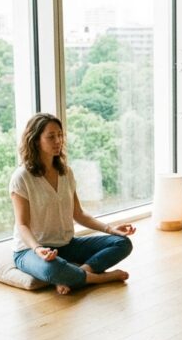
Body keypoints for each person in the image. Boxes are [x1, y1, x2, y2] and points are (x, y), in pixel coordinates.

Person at [11, 113, 135, 294]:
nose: (58, 141)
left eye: (60, 135)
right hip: (30, 251)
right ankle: (100, 278)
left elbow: (78, 214)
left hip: (66, 245)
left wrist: (111, 229)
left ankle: (75, 275)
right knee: (52, 268)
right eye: (51, 136)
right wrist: (38, 249)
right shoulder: (22, 177)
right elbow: (22, 225)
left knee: (123, 243)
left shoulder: (65, 172)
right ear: (36, 140)